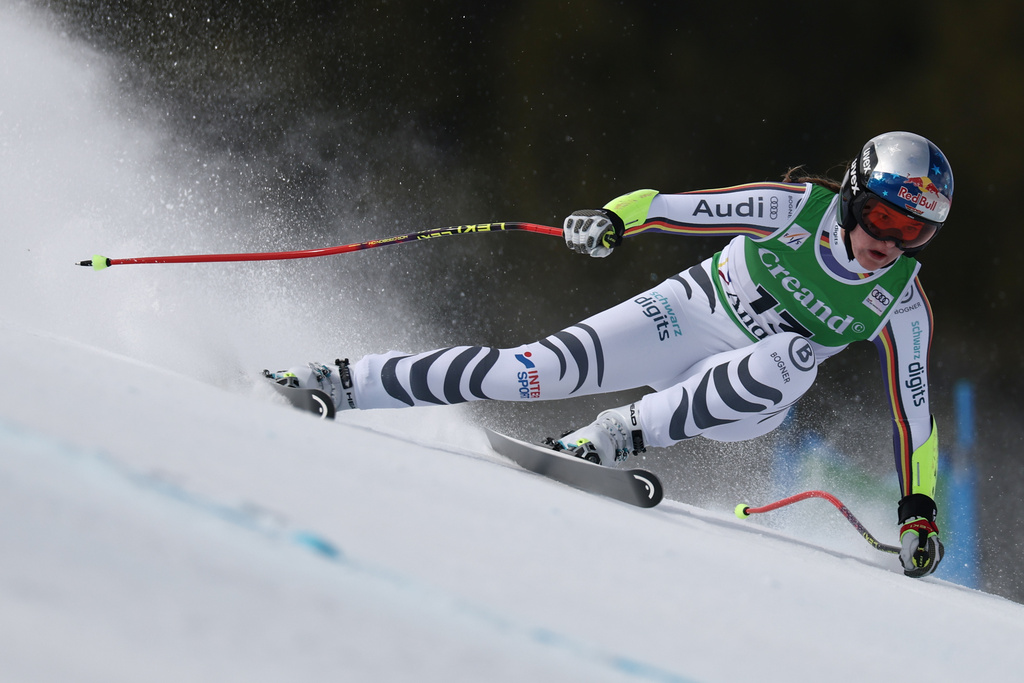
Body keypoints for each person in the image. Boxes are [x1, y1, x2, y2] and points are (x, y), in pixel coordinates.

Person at [268, 131, 952, 579]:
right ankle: (341, 380)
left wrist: (918, 510)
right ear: (857, 197)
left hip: (746, 395)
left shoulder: (903, 302)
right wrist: (613, 220)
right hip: (686, 313)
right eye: (887, 217)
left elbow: (914, 415)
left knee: (793, 356)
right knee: (526, 371)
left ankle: (611, 438)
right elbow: (666, 206)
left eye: (914, 231)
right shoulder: (792, 209)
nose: (892, 242)